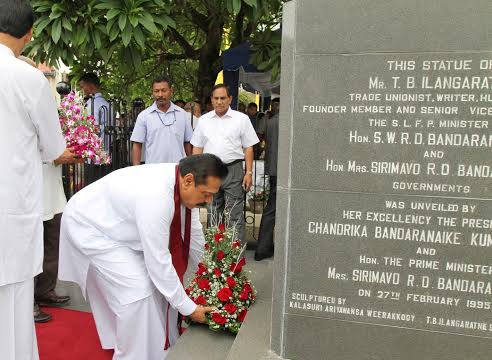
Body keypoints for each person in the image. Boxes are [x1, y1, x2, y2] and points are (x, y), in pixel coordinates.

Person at [59, 154, 227, 359]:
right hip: (90, 227)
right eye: (206, 194)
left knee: (155, 287)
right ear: (188, 180)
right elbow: (158, 262)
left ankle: (158, 347)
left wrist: (216, 278)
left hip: (118, 228)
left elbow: (195, 239)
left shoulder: (182, 188)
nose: (209, 201)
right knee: (137, 292)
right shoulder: (156, 197)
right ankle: (132, 354)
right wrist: (190, 309)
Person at [0, 1, 72, 358]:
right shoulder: (28, 78)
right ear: (28, 34)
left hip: (11, 207)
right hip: (11, 206)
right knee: (12, 301)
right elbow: (54, 148)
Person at [17, 56, 82, 323]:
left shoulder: (48, 104)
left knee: (52, 241)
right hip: (29, 188)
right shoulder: (15, 106)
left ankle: (46, 291)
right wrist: (60, 153)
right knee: (31, 245)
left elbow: (53, 139)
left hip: (52, 187)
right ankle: (28, 299)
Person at [191, 84, 259, 243]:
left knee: (234, 213)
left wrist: (249, 173)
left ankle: (235, 258)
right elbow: (197, 148)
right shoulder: (203, 120)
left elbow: (248, 147)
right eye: (216, 98)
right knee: (213, 212)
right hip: (210, 171)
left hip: (233, 170)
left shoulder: (241, 119)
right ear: (211, 100)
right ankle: (216, 256)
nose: (219, 102)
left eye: (223, 98)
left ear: (230, 99)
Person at [131, 75, 193, 165]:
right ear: (152, 93)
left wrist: (190, 166)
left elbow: (187, 143)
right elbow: (137, 144)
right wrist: (136, 169)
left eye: (164, 90)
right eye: (156, 91)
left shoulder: (182, 114)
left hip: (178, 168)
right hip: (153, 170)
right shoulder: (144, 116)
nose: (160, 94)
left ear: (171, 91)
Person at [255, 98, 280, 261]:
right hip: (282, 170)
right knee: (272, 208)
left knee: (271, 208)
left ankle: (264, 246)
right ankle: (263, 247)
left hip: (273, 168)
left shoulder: (271, 121)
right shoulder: (283, 122)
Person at [79, 73, 110, 142]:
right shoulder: (106, 103)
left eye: (82, 87)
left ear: (91, 86)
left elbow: (91, 128)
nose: (81, 90)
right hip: (107, 147)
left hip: (96, 148)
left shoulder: (93, 104)